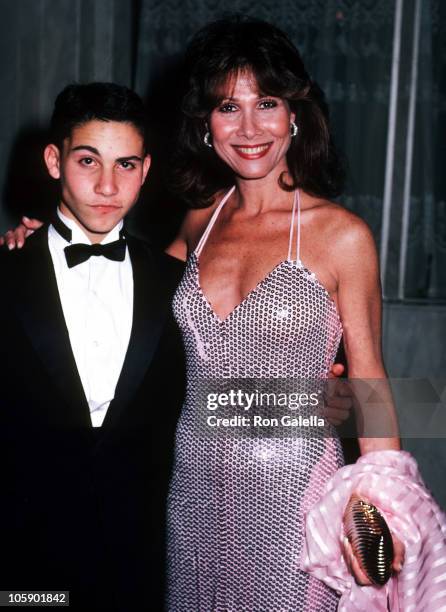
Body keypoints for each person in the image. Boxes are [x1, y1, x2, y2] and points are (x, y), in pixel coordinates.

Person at [162, 16, 403, 611]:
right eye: (227, 107)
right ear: (204, 125)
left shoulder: (341, 236)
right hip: (191, 495)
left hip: (296, 502)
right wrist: (46, 242)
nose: (249, 128)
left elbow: (369, 383)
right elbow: (125, 305)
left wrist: (376, 508)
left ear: (295, 113)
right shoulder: (199, 222)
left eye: (266, 102)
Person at [0, 82, 186, 611]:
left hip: (138, 562)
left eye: (126, 165)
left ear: (146, 170)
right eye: (88, 161)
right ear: (54, 160)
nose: (107, 185)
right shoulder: (7, 270)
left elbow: (218, 397)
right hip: (24, 567)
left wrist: (330, 401)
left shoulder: (177, 284)